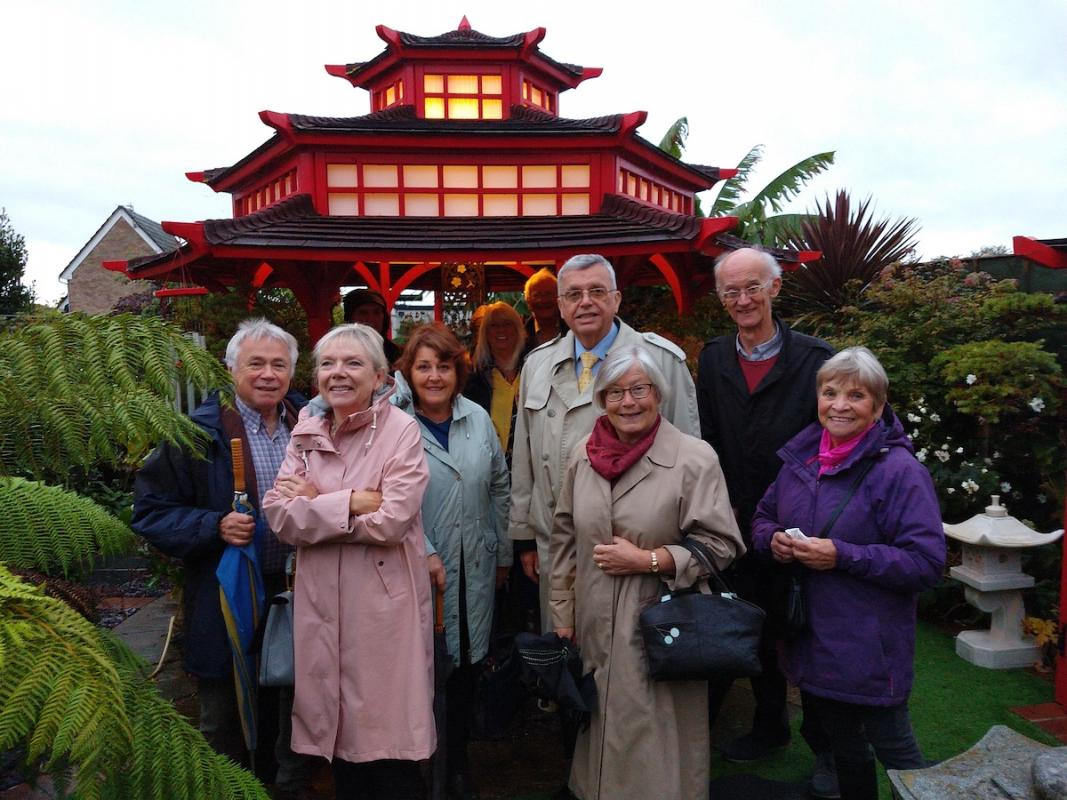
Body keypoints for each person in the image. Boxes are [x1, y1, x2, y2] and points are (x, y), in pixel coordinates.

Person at [549, 345, 744, 800]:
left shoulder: (695, 459)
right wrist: (562, 613)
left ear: (658, 394)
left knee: (653, 737)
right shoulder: (583, 455)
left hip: (662, 619)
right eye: (615, 392)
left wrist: (651, 560)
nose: (628, 402)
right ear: (601, 400)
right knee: (598, 725)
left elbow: (723, 544)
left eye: (639, 389)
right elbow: (563, 538)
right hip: (594, 619)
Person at [751, 347, 945, 800]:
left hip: (868, 646)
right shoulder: (801, 462)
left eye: (855, 395)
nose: (839, 405)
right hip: (811, 637)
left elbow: (927, 562)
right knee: (844, 747)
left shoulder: (900, 473)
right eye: (830, 392)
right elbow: (762, 516)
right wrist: (773, 540)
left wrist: (842, 555)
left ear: (877, 407)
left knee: (897, 752)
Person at [132, 318, 309, 794]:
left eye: (279, 364)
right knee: (224, 720)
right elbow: (150, 513)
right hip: (224, 598)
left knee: (294, 714)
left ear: (292, 372)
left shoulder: (310, 427)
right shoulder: (195, 433)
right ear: (231, 369)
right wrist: (214, 526)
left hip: (298, 596)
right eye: (256, 363)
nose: (268, 374)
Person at [262, 323, 434, 800]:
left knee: (387, 746)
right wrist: (354, 501)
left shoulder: (401, 431)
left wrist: (318, 501)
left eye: (353, 363)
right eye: (328, 363)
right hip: (321, 603)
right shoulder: (306, 430)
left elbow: (392, 521)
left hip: (381, 607)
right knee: (338, 742)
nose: (338, 373)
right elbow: (279, 516)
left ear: (379, 376)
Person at [695, 248, 837, 793]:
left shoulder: (815, 359)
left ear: (775, 289)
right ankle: (768, 724)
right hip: (734, 522)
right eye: (731, 291)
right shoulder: (712, 359)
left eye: (753, 287)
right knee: (753, 630)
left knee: (808, 634)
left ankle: (827, 749)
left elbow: (838, 439)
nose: (743, 300)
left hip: (799, 526)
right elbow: (706, 438)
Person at [509, 253, 700, 633]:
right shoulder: (537, 365)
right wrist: (523, 538)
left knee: (630, 668)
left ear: (616, 299)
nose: (586, 302)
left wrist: (679, 550)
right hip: (557, 552)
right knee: (567, 664)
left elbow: (691, 459)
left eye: (597, 291)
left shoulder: (661, 361)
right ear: (560, 307)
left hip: (637, 554)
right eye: (574, 294)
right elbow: (524, 458)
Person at [393, 323, 511, 800]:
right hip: (416, 571)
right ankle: (419, 765)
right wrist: (423, 550)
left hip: (476, 567)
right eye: (423, 367)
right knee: (419, 669)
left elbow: (499, 485)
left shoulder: (477, 418)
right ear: (409, 373)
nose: (435, 376)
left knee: (463, 667)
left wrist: (502, 552)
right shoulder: (394, 424)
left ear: (458, 370)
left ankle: (456, 760)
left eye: (443, 366)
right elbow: (386, 499)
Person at [464, 302, 527, 464]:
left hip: (530, 465)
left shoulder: (534, 369)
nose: (501, 330)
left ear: (518, 329)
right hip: (490, 468)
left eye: (507, 324)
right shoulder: (474, 379)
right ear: (485, 333)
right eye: (493, 325)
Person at [342, 287, 402, 366]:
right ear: (350, 318)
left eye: (377, 312)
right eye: (363, 312)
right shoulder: (338, 352)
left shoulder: (399, 356)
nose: (371, 319)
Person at [522, 267, 565, 355]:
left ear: (559, 298)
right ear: (528, 301)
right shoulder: (518, 339)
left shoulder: (576, 331)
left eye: (548, 294)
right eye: (537, 295)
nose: (543, 300)